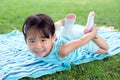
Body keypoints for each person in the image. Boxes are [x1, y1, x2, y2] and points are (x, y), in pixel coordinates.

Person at [22, 13, 109, 65]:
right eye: (32, 41)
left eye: (43, 40)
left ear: (53, 38)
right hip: (65, 38)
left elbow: (81, 41)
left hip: (80, 44)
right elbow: (51, 29)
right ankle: (66, 24)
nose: (38, 46)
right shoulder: (38, 44)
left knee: (105, 49)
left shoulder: (62, 50)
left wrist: (92, 34)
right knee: (48, 30)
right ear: (26, 40)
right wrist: (60, 23)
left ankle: (89, 30)